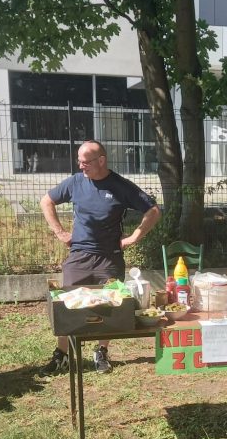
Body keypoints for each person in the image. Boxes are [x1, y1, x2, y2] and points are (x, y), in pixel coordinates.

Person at [40, 140, 161, 373]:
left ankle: (101, 352)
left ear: (101, 160)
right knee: (66, 304)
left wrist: (135, 237)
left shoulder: (120, 186)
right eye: (79, 161)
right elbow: (46, 201)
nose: (81, 166)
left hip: (109, 259)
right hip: (79, 256)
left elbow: (153, 210)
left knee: (110, 304)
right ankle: (62, 354)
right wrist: (60, 232)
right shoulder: (75, 182)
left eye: (85, 162)